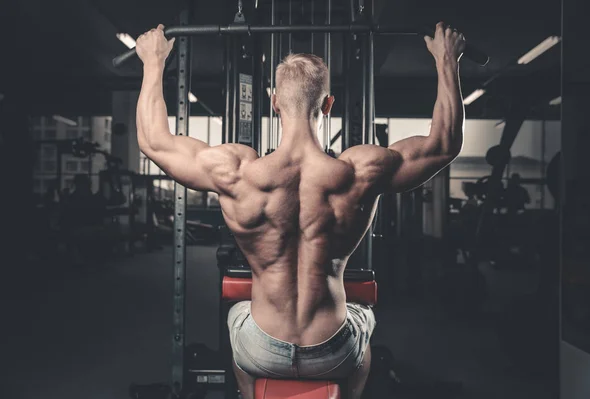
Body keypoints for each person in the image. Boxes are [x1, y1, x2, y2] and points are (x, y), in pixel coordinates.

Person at [135, 22, 465, 399]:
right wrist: (446, 61)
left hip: (262, 347)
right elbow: (443, 144)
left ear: (274, 101)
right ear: (328, 104)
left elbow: (153, 142)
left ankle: (248, 392)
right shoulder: (360, 171)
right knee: (364, 321)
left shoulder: (236, 171)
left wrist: (153, 61)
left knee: (237, 316)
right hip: (333, 350)